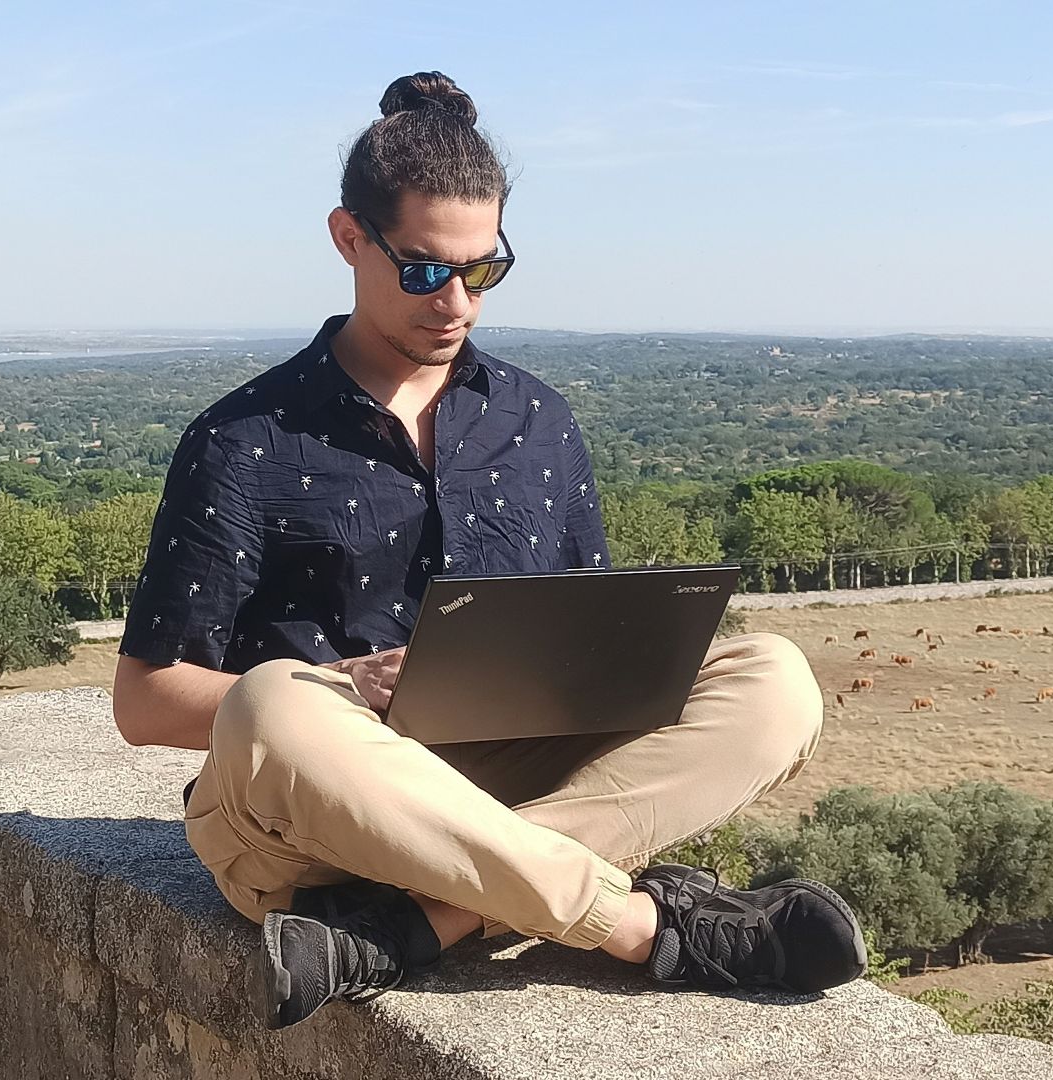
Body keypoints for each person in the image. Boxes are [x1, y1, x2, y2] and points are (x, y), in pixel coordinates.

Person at [112, 71, 864, 1030]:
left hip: (500, 794)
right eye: (426, 270)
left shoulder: (536, 419)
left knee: (776, 680)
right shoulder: (244, 439)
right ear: (349, 239)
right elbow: (146, 701)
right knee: (273, 699)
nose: (456, 301)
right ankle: (639, 927)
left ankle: (415, 926)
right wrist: (344, 683)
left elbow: (595, 650)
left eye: (484, 271)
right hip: (312, 821)